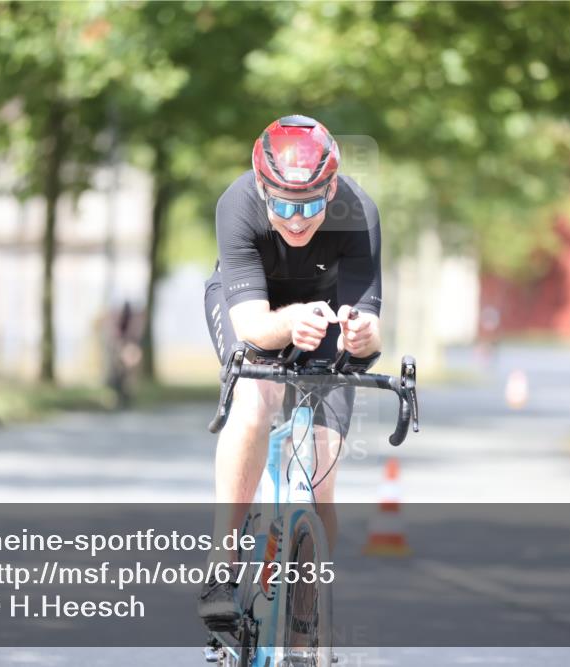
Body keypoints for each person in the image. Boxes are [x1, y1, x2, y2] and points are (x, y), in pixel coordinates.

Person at [198, 115, 383, 628]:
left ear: (332, 190)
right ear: (262, 187)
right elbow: (254, 327)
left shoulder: (359, 210)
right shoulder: (237, 204)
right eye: (281, 205)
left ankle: (309, 613)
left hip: (324, 317)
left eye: (309, 205)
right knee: (255, 400)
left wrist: (360, 336)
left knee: (322, 470)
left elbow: (371, 325)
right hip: (254, 309)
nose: (296, 221)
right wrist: (288, 324)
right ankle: (224, 560)